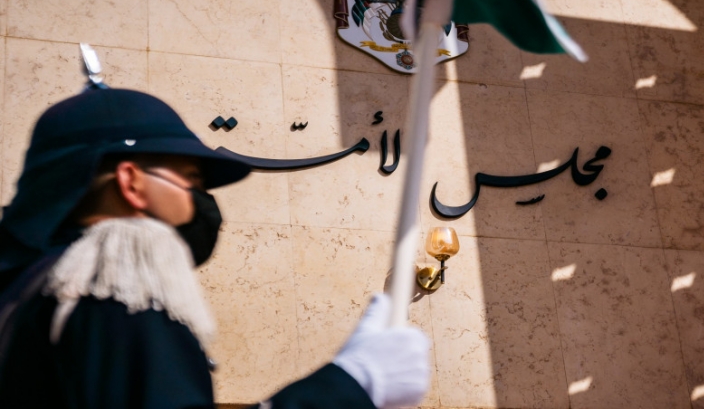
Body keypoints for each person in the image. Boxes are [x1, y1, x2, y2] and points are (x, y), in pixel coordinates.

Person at [0, 87, 431, 408]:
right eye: (190, 178)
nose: (197, 200)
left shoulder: (31, 289)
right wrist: (351, 384)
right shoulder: (116, 285)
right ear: (131, 183)